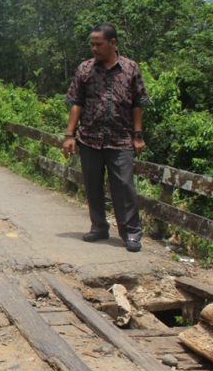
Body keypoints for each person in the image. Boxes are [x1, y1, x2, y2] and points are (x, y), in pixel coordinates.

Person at [62, 23, 150, 252]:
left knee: (124, 186)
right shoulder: (85, 69)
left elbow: (138, 103)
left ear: (113, 43)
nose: (94, 48)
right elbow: (76, 103)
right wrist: (69, 135)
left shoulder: (130, 69)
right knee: (93, 186)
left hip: (121, 139)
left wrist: (138, 135)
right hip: (89, 137)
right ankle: (99, 226)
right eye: (92, 44)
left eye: (98, 44)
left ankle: (130, 232)